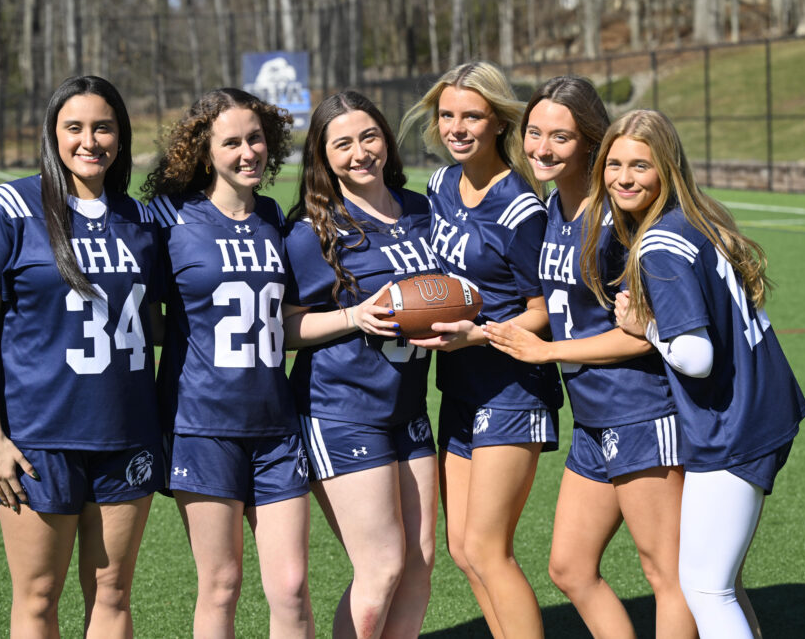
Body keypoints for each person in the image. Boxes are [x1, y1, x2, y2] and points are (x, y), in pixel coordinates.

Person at [482, 77, 697, 638]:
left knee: (667, 573)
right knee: (570, 568)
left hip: (641, 410)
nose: (542, 148)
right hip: (592, 416)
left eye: (561, 136)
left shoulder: (617, 218)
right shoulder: (554, 207)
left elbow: (641, 336)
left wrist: (547, 350)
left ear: (590, 141)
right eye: (534, 133)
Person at [583, 108, 805, 639]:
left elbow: (697, 356)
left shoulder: (658, 244)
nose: (623, 178)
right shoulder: (696, 218)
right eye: (614, 164)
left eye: (640, 165)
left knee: (707, 589)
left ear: (666, 168)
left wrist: (646, 328)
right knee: (717, 583)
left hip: (733, 423)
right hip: (763, 406)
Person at [0, 75, 163, 636]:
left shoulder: (143, 219)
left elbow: (155, 324)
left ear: (121, 136)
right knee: (38, 597)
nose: (89, 141)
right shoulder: (8, 207)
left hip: (127, 433)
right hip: (38, 438)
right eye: (74, 127)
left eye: (103, 128)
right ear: (53, 133)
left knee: (113, 594)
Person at [141, 88, 314, 638]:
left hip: (276, 426)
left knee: (292, 587)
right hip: (202, 426)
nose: (248, 152)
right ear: (204, 151)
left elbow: (284, 322)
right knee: (221, 585)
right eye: (232, 142)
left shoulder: (273, 217)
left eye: (256, 138)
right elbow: (147, 318)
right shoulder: (169, 218)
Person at [398, 61, 561, 639]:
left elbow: (545, 312)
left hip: (512, 389)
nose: (457, 127)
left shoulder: (521, 208)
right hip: (461, 387)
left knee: (490, 549)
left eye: (472, 115)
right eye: (447, 115)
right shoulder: (441, 185)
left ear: (498, 122)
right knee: (464, 551)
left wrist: (479, 334)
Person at [283, 91, 439, 638]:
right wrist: (354, 317)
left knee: (420, 561)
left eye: (369, 136)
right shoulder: (312, 230)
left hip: (409, 406)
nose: (360, 153)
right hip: (343, 408)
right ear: (323, 157)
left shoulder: (420, 210)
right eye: (342, 144)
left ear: (386, 140)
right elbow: (285, 327)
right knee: (382, 566)